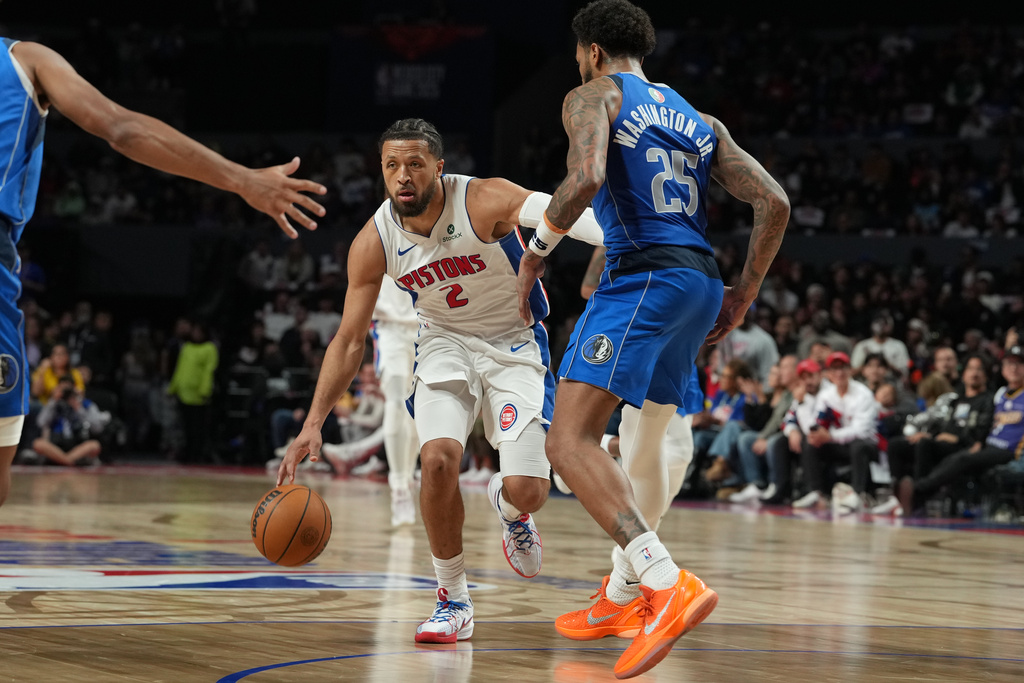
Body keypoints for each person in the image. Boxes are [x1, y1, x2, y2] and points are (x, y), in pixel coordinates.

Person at [514, 2, 790, 678]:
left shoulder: (594, 95)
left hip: (644, 276)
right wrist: (744, 292)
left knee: (567, 440)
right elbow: (775, 202)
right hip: (699, 281)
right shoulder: (699, 119)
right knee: (651, 434)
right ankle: (621, 593)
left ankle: (666, 583)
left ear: (592, 51)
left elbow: (584, 178)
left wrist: (538, 249)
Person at [276, 118, 603, 644]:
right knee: (437, 459)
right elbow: (348, 340)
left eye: (414, 164)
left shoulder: (483, 199)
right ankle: (453, 599)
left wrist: (617, 237)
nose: (402, 176)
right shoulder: (374, 240)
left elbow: (562, 212)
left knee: (530, 489)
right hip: (443, 342)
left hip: (513, 342)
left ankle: (510, 507)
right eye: (391, 166)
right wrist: (313, 422)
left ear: (439, 168)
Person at [0, 38, 327, 507]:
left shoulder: (24, 63)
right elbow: (122, 128)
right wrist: (242, 179)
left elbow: (123, 128)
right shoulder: (26, 59)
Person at [896, 346, 1022, 515]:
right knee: (951, 458)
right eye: (1009, 364)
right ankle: (918, 499)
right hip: (989, 445)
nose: (1013, 368)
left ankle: (916, 491)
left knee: (962, 459)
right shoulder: (1000, 394)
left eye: (1019, 364)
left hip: (1010, 450)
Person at [792, 351, 879, 513]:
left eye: (843, 368)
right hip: (839, 443)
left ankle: (858, 495)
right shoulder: (826, 396)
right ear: (829, 374)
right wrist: (802, 403)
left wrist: (830, 436)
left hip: (869, 444)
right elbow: (814, 427)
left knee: (858, 446)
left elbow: (860, 431)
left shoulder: (863, 394)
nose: (839, 373)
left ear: (850, 370)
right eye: (835, 369)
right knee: (810, 443)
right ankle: (817, 493)